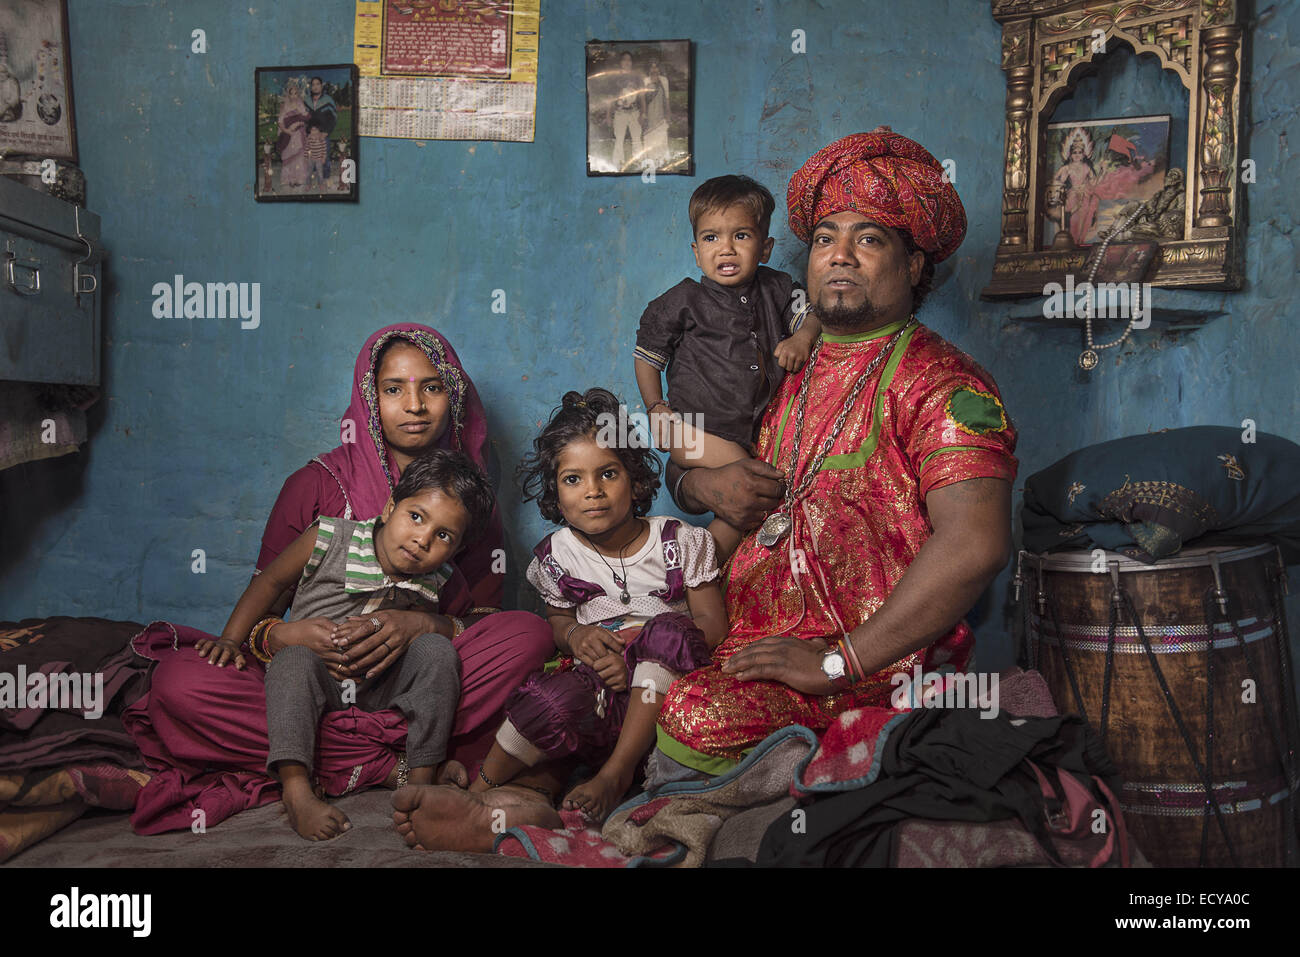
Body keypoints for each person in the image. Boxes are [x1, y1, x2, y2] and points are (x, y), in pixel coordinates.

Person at [647, 127, 1019, 783]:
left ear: (913, 265)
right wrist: (706, 487)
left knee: (694, 712)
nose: (839, 255)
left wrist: (835, 662)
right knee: (617, 660)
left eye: (868, 238)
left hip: (864, 665)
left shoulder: (943, 383)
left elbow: (976, 546)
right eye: (825, 238)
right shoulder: (791, 369)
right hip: (750, 634)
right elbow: (706, 467)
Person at [124, 324, 555, 834]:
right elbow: (267, 596)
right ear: (369, 397)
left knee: (528, 634)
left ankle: (341, 756)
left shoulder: (470, 505)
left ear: (454, 396)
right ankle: (388, 761)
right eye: (393, 388)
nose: (414, 405)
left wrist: (421, 628)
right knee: (180, 682)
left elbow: (480, 622)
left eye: (432, 387)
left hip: (403, 686)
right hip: (310, 674)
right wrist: (280, 636)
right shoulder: (314, 488)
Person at [389, 389, 727, 849]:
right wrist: (577, 634)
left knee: (667, 630)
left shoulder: (679, 541)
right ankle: (481, 793)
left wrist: (636, 646)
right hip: (599, 694)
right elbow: (557, 623)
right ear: (555, 491)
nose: (593, 491)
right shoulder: (558, 556)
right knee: (549, 699)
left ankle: (615, 773)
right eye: (573, 479)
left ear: (635, 478)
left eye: (608, 473)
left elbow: (712, 625)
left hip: (663, 694)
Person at [196, 450, 491, 840]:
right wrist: (232, 639)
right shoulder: (328, 538)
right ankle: (297, 788)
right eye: (416, 517)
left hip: (380, 688)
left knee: (437, 651)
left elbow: (475, 623)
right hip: (315, 680)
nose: (422, 539)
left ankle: (420, 780)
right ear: (389, 506)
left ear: (454, 550)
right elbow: (269, 582)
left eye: (443, 536)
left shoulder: (439, 577)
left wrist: (428, 623)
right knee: (293, 660)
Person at [634, 174, 820, 554]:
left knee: (746, 507)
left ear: (765, 248)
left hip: (751, 436)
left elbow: (812, 315)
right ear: (696, 250)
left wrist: (800, 338)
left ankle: (698, 574)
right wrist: (656, 407)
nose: (726, 249)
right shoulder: (682, 301)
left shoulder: (778, 288)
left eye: (741, 236)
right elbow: (646, 357)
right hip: (694, 434)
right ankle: (694, 577)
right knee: (756, 480)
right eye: (711, 238)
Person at [608, 51, 644, 171]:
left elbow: (642, 96)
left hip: (634, 111)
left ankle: (638, 163)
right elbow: (611, 98)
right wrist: (608, 115)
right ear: (620, 62)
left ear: (632, 62)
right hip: (620, 112)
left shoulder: (637, 77)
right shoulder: (615, 78)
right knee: (619, 139)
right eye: (624, 59)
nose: (627, 62)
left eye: (629, 59)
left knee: (636, 139)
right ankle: (618, 164)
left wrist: (643, 113)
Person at [276, 79, 310, 188]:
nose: (294, 96)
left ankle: (299, 178)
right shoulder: (285, 106)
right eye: (292, 93)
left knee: (299, 156)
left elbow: (305, 117)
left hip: (299, 134)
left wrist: (299, 122)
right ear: (288, 94)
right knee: (289, 155)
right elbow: (280, 121)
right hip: (289, 135)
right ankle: (289, 179)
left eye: (296, 93)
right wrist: (287, 131)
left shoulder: (300, 104)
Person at [304, 76, 337, 180]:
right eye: (313, 84)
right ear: (311, 87)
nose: (315, 87)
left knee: (324, 158)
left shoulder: (328, 100)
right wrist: (307, 132)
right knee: (311, 158)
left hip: (323, 134)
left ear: (321, 86)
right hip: (310, 136)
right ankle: (314, 179)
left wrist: (326, 132)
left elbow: (334, 118)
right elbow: (303, 117)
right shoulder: (306, 100)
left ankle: (325, 178)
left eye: (317, 84)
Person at [643, 59, 671, 168]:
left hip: (660, 112)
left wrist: (668, 113)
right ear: (649, 69)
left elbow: (667, 98)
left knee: (661, 136)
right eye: (652, 67)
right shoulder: (645, 81)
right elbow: (643, 99)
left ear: (659, 69)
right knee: (650, 136)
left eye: (656, 67)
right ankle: (650, 161)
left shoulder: (664, 80)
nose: (654, 69)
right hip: (649, 112)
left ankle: (662, 161)